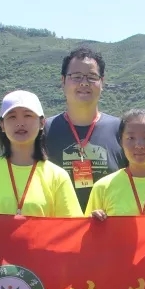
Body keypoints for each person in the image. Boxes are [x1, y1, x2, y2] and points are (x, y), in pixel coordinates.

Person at [0, 90, 81, 216]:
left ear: (42, 123)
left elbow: (71, 226)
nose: (20, 123)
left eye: (27, 115)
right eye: (12, 117)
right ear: (2, 125)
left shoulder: (58, 177)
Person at [43, 47, 126, 211]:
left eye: (92, 77)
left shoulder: (122, 130)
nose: (84, 83)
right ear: (63, 81)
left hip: (110, 223)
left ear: (102, 82)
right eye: (76, 76)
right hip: (60, 224)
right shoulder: (44, 130)